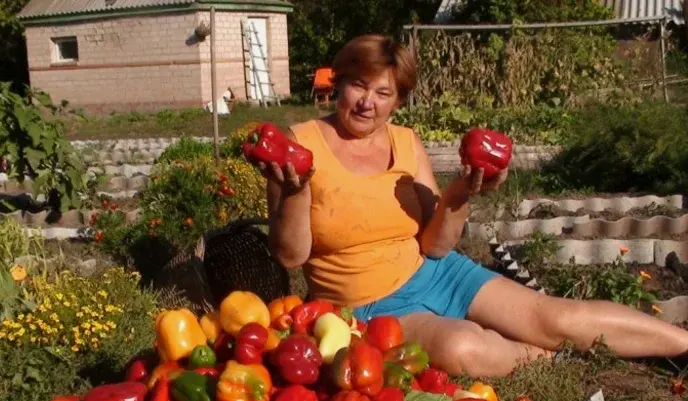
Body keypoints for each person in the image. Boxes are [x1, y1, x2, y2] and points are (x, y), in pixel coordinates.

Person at [257, 34, 688, 377]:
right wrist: (298, 191)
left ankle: (681, 343)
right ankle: (546, 357)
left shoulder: (406, 143)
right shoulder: (299, 145)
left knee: (560, 317)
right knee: (463, 346)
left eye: (383, 92)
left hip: (436, 273)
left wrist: (462, 192)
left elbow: (436, 245)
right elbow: (291, 256)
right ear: (340, 83)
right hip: (369, 308)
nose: (368, 101)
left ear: (398, 101)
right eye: (358, 85)